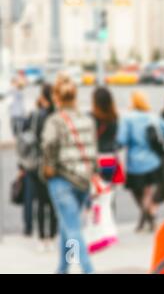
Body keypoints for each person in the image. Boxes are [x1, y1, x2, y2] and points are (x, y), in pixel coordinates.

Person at [41, 74, 97, 274]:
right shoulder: (86, 120)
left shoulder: (54, 121)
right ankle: (62, 269)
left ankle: (89, 270)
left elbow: (48, 143)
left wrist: (48, 166)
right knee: (68, 226)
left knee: (73, 229)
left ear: (57, 97)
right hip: (83, 180)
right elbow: (93, 150)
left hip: (62, 179)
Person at [117, 91, 164, 232]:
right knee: (148, 193)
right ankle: (149, 217)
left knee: (137, 192)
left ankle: (146, 218)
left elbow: (122, 140)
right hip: (153, 161)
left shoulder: (127, 119)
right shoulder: (152, 117)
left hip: (134, 163)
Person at [23, 84, 58, 249]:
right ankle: (52, 236)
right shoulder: (58, 115)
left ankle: (41, 237)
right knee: (54, 203)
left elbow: (26, 137)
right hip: (57, 165)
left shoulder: (36, 115)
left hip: (38, 164)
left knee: (40, 202)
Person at [91, 87, 120, 183]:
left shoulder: (91, 118)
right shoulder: (114, 117)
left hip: (94, 157)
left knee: (94, 189)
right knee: (107, 189)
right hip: (110, 158)